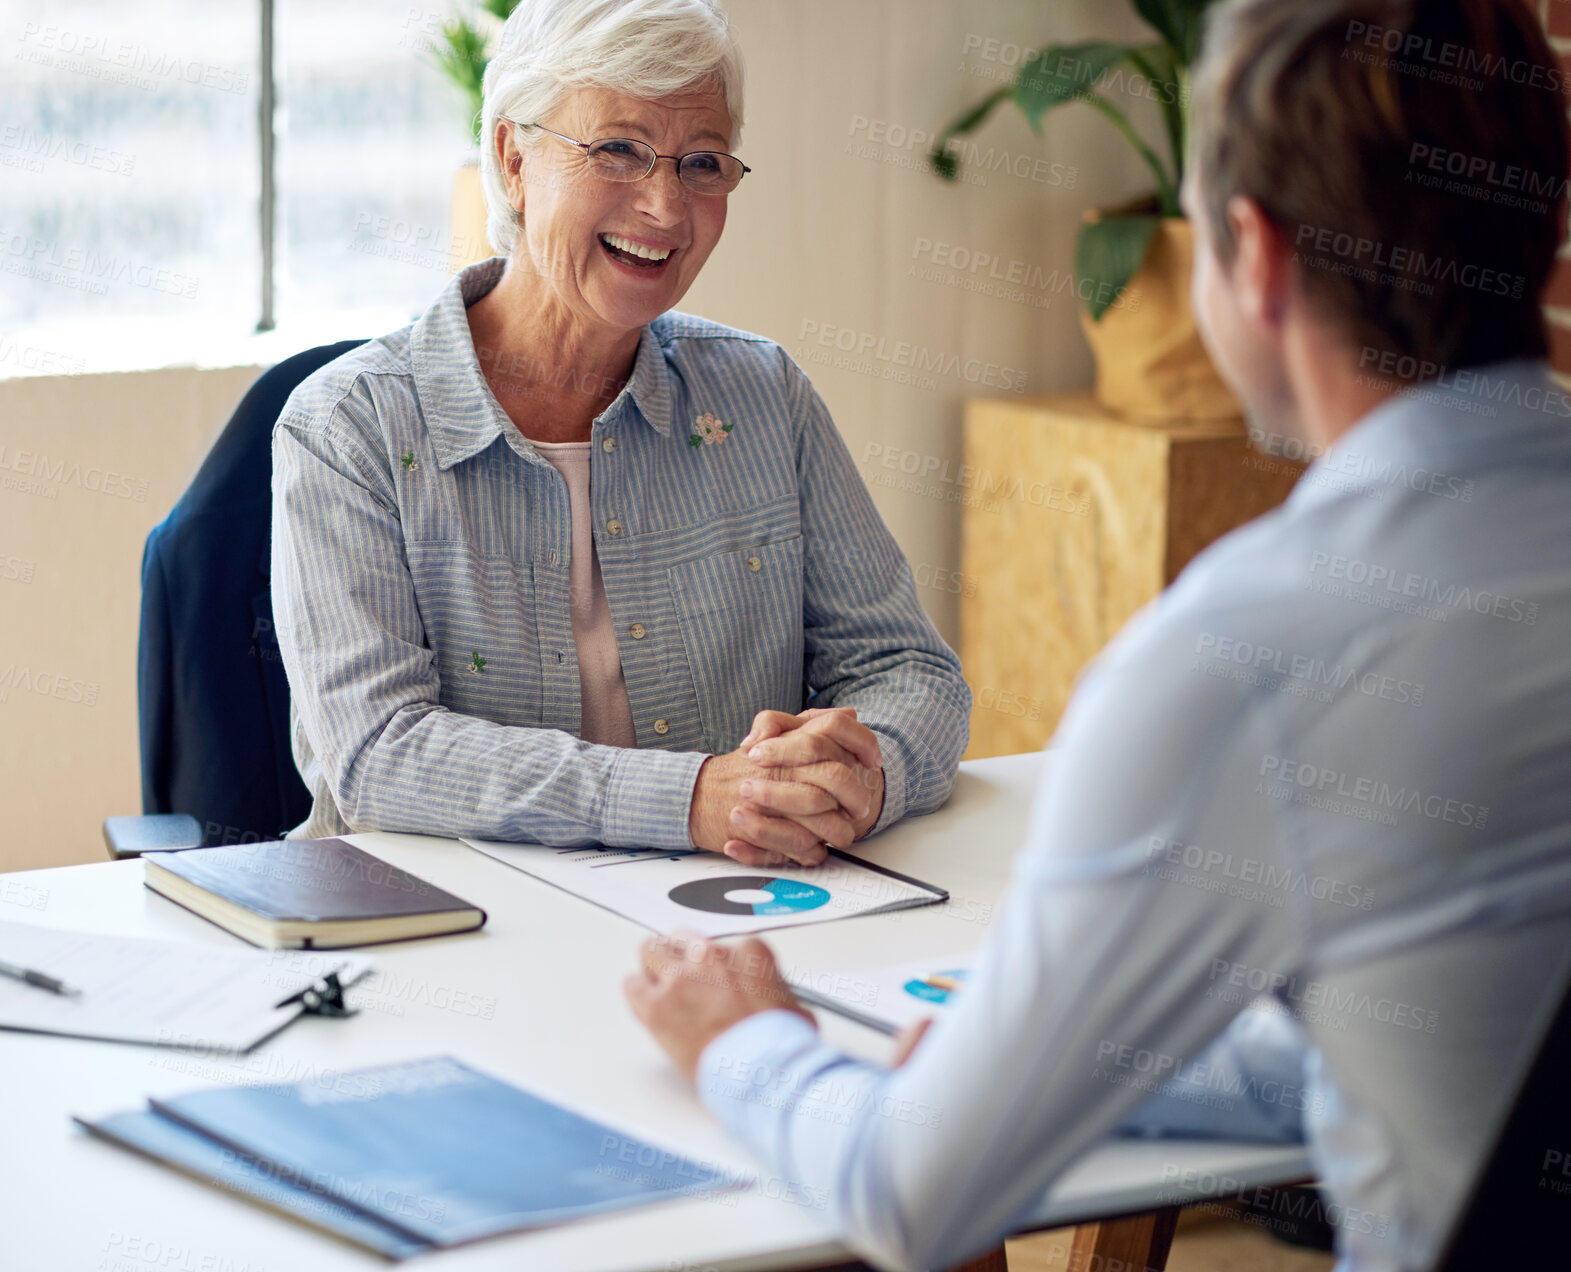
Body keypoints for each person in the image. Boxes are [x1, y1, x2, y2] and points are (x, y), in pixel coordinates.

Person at [624, 1, 1571, 1268]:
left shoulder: (1254, 653)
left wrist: (741, 1042)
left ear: (1252, 255)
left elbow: (914, 1200)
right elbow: (1454, 1033)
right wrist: (1065, 1055)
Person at [269, 0, 970, 862]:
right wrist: (688, 800)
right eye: (617, 150)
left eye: (702, 162)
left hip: (734, 912)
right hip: (451, 936)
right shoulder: (349, 427)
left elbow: (912, 673)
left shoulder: (761, 396)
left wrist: (859, 777)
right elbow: (379, 754)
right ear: (512, 158)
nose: (666, 207)